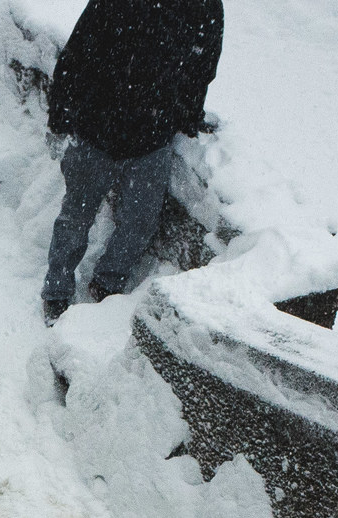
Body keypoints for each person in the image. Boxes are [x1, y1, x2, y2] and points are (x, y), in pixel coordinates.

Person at [41, 0, 224, 325]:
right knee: (75, 219)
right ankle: (56, 293)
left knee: (140, 223)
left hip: (152, 140)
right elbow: (77, 52)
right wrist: (61, 114)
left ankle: (107, 285)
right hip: (96, 131)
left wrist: (188, 116)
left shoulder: (205, 6)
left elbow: (202, 67)